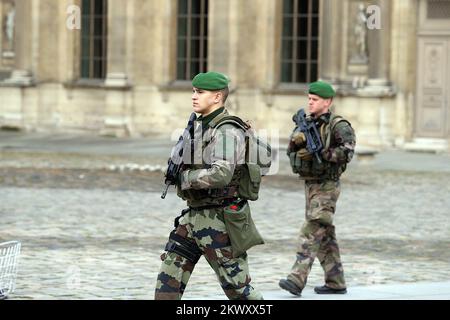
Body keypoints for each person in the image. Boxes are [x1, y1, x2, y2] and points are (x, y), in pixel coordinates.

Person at [155, 71, 264, 300]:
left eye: (200, 92)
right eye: (194, 91)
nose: (194, 96)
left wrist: (184, 179)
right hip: (192, 218)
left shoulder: (227, 130)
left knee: (239, 292)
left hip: (219, 221)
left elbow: (221, 174)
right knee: (167, 285)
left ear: (216, 97)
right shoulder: (198, 126)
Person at [279, 81, 356, 296]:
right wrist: (297, 142)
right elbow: (291, 151)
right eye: (309, 99)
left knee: (312, 227)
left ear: (328, 101)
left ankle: (296, 278)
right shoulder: (306, 122)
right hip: (310, 183)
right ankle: (336, 281)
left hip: (328, 184)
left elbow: (347, 153)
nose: (310, 103)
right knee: (324, 232)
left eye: (315, 100)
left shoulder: (339, 125)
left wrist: (321, 153)